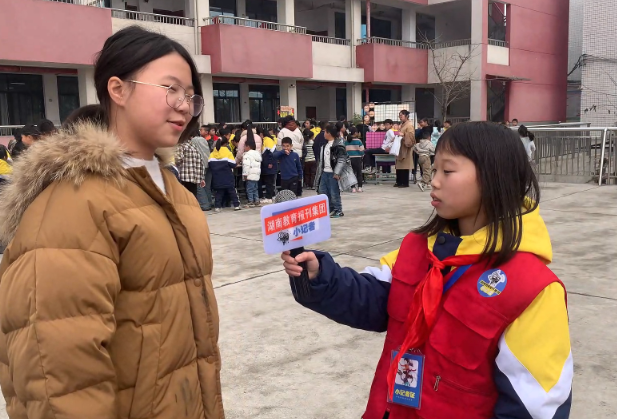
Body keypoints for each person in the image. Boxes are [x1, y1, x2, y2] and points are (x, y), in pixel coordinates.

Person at [0, 26, 226, 419]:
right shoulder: (75, 199)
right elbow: (57, 373)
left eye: (191, 95)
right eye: (171, 89)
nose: (185, 106)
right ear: (117, 89)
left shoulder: (177, 195)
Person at [281, 121, 572, 419]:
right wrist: (319, 275)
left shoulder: (533, 289)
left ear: (494, 176)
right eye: (434, 170)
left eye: (447, 171)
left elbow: (534, 405)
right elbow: (373, 298)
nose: (434, 181)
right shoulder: (417, 249)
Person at [315, 125, 347, 218]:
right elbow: (321, 161)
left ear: (329, 133)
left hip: (333, 173)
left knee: (334, 192)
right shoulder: (324, 146)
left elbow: (342, 159)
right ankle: (330, 209)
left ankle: (338, 210)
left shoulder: (338, 145)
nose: (324, 134)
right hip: (324, 172)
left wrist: (337, 172)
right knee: (323, 191)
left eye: (325, 132)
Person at [210, 135, 241, 212]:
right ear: (225, 144)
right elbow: (233, 164)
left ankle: (217, 207)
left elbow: (210, 164)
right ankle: (236, 205)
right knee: (232, 191)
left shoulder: (213, 153)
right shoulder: (227, 152)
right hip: (227, 176)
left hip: (217, 177)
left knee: (219, 192)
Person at [192, 129, 213, 211]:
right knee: (207, 186)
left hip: (200, 165)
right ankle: (209, 202)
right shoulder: (203, 140)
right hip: (208, 163)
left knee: (200, 185)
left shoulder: (193, 141)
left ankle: (204, 205)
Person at [394, 110, 415, 188]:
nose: (400, 117)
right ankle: (399, 181)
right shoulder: (402, 125)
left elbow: (411, 136)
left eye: (401, 116)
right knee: (399, 164)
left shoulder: (409, 125)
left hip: (406, 147)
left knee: (405, 165)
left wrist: (404, 134)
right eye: (399, 116)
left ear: (406, 116)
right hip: (400, 146)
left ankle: (405, 182)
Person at [242, 138, 262, 208]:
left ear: (248, 146)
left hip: (250, 174)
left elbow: (246, 165)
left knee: (249, 189)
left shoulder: (247, 155)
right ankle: (257, 200)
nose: (244, 148)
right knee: (255, 188)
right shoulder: (257, 154)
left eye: (244, 146)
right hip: (256, 175)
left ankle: (251, 201)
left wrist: (245, 174)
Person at [260, 128, 278, 204]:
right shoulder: (269, 140)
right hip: (270, 165)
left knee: (269, 182)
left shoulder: (267, 140)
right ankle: (272, 195)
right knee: (270, 181)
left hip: (269, 165)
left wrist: (270, 163)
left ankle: (269, 197)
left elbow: (270, 153)